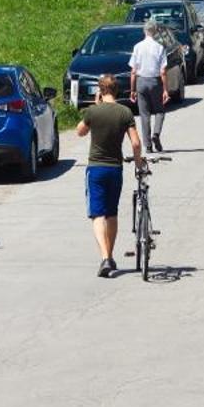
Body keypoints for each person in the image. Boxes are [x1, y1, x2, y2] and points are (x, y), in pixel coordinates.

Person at [75, 73, 142, 278]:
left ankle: (105, 258)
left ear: (101, 91)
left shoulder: (93, 112)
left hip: (95, 168)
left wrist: (95, 105)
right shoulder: (125, 112)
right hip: (115, 168)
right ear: (116, 90)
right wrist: (138, 162)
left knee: (97, 214)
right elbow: (136, 142)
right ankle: (110, 255)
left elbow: (80, 132)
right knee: (112, 213)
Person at [129, 18, 170, 154]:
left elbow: (133, 71)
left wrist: (132, 90)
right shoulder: (159, 47)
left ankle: (147, 145)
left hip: (141, 81)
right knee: (159, 111)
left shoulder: (137, 47)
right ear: (156, 31)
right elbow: (163, 71)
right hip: (155, 81)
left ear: (144, 31)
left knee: (144, 114)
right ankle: (156, 134)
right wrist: (165, 89)